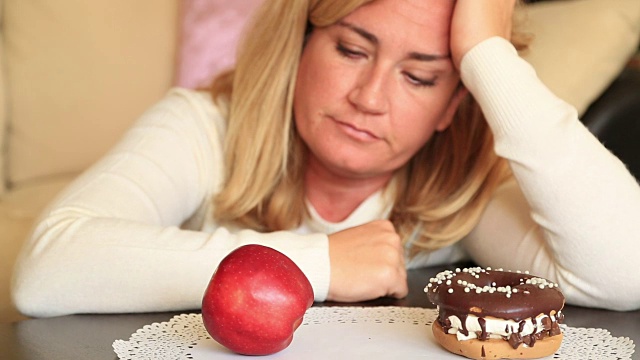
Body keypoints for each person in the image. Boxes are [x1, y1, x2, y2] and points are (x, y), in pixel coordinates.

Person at [11, 0, 640, 318]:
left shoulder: (456, 193)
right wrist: (318, 264)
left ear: (456, 103)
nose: (369, 99)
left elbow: (627, 271)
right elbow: (48, 272)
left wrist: (488, 55)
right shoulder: (202, 126)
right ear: (303, 43)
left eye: (420, 78)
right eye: (350, 49)